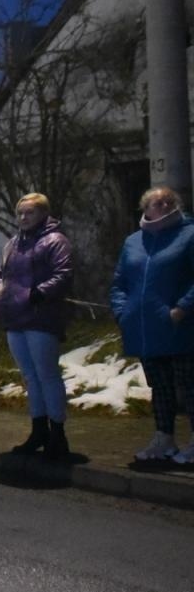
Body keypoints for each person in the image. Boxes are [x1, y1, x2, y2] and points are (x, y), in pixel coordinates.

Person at [110, 185, 194, 465]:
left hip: (180, 326)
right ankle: (164, 438)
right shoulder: (134, 241)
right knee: (160, 386)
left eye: (168, 202)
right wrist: (123, 312)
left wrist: (182, 308)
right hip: (145, 327)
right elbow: (120, 282)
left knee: (189, 383)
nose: (163, 206)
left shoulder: (189, 234)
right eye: (156, 202)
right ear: (145, 208)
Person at [0, 193, 74, 457]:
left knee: (47, 374)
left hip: (41, 316)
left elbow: (63, 274)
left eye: (30, 212)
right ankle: (38, 429)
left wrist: (37, 293)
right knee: (30, 376)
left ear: (43, 214)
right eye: (21, 213)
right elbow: (1, 274)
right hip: (14, 317)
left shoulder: (55, 241)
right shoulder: (13, 244)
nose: (24, 218)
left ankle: (57, 433)